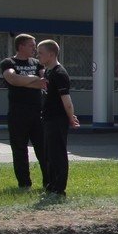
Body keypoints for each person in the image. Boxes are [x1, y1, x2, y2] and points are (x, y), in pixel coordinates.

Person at [0, 33, 47, 190]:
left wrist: (23, 81)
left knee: (43, 148)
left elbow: (44, 83)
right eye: (31, 45)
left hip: (38, 113)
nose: (35, 48)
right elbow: (12, 79)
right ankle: (24, 184)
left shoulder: (37, 63)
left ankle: (49, 181)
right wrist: (32, 79)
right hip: (17, 114)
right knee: (20, 149)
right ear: (21, 46)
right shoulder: (8, 62)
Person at [36, 39, 80, 198]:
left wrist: (71, 117)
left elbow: (66, 100)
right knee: (48, 154)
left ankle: (59, 190)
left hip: (57, 119)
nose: (38, 55)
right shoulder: (48, 71)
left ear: (51, 54)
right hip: (48, 119)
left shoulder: (60, 73)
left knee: (57, 154)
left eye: (40, 53)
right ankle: (51, 186)